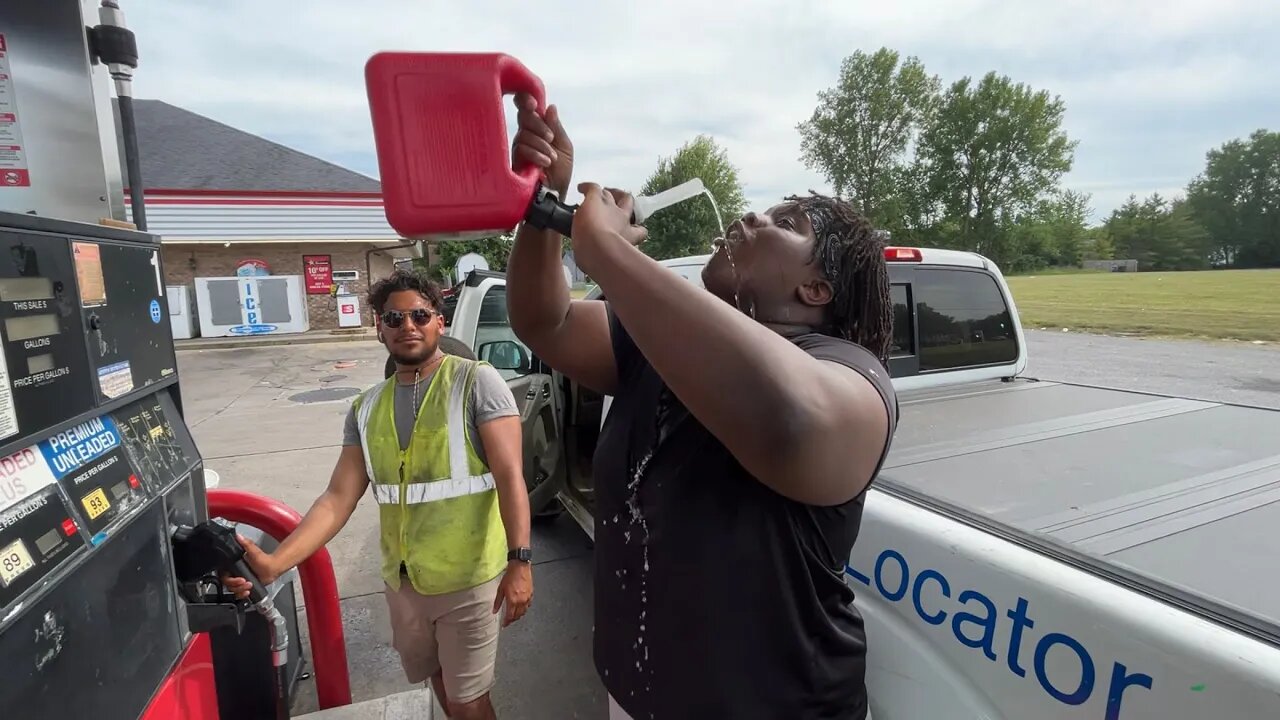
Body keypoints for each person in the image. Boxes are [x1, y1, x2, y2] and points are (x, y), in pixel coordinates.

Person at [505, 94, 897, 719]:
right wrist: (540, 211)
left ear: (815, 289)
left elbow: (794, 421)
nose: (750, 214)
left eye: (786, 222)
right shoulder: (660, 341)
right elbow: (541, 320)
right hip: (637, 700)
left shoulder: (850, 375)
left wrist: (609, 251)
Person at [223, 269, 534, 720]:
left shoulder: (476, 383)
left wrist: (520, 561)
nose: (407, 325)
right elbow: (336, 499)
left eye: (419, 315)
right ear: (379, 328)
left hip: (471, 581)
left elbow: (510, 476)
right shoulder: (366, 407)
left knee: (468, 702)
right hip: (404, 583)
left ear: (439, 322)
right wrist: (274, 563)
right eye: (394, 318)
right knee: (441, 683)